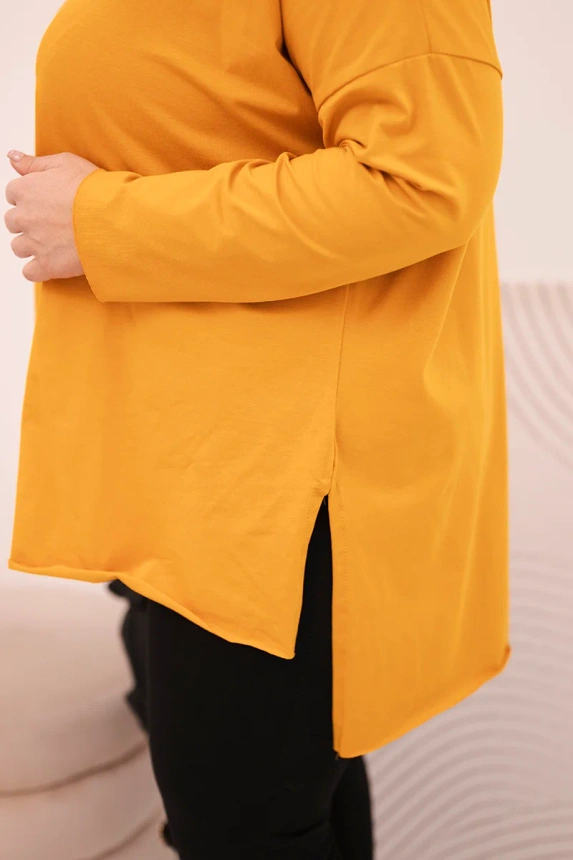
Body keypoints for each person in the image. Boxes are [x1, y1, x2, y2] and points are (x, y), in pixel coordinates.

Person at [5, 0, 510, 857]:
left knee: (241, 821)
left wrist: (103, 221)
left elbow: (420, 177)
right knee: (270, 805)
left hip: (276, 483)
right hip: (191, 459)